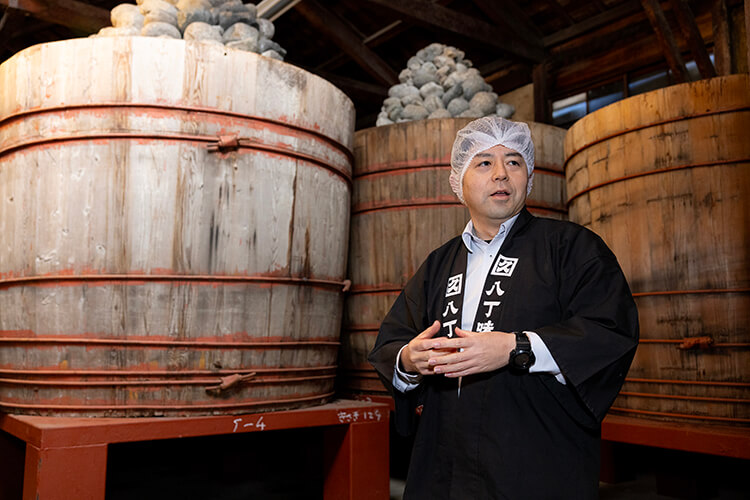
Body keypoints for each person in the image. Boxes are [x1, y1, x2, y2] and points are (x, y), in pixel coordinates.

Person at [368, 117, 639, 499]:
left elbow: (610, 330)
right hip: (443, 468)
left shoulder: (571, 247)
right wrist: (410, 360)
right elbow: (392, 342)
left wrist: (515, 347)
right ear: (458, 183)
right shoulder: (439, 264)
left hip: (537, 466)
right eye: (484, 162)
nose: (501, 173)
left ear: (529, 178)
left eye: (514, 162)